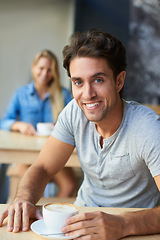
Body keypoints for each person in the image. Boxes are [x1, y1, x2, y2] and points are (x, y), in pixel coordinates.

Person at [0, 29, 160, 239]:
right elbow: (43, 167)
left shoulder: (148, 127)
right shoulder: (74, 112)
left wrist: (123, 225)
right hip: (80, 218)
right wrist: (24, 199)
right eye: (78, 82)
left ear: (119, 81)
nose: (87, 94)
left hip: (133, 229)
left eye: (98, 80)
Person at [0, 49, 77, 198]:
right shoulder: (21, 94)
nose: (44, 73)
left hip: (53, 153)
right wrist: (19, 125)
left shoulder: (63, 94)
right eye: (41, 68)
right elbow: (4, 122)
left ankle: (52, 212)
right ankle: (33, 212)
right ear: (33, 68)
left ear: (54, 72)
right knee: (28, 189)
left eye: (49, 70)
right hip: (26, 154)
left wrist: (61, 126)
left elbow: (74, 121)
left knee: (70, 185)